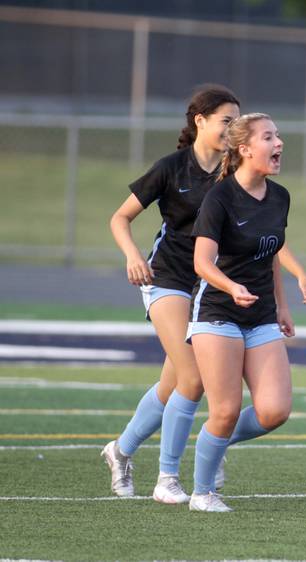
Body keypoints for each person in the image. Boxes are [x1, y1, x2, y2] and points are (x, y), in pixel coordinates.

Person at [104, 85, 241, 503]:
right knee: (194, 378)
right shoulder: (171, 168)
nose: (233, 129)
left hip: (208, 284)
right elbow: (119, 218)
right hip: (165, 279)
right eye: (226, 121)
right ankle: (168, 479)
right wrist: (131, 256)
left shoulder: (234, 171)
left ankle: (121, 450)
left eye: (238, 122)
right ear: (199, 120)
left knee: (173, 383)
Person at [186, 112, 306, 512]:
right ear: (244, 149)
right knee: (223, 410)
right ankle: (202, 493)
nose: (278, 143)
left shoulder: (280, 196)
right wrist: (231, 286)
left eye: (278, 135)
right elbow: (202, 262)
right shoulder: (220, 197)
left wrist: (281, 303)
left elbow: (271, 250)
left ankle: (216, 441)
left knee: (275, 410)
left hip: (259, 314)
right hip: (216, 311)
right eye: (268, 137)